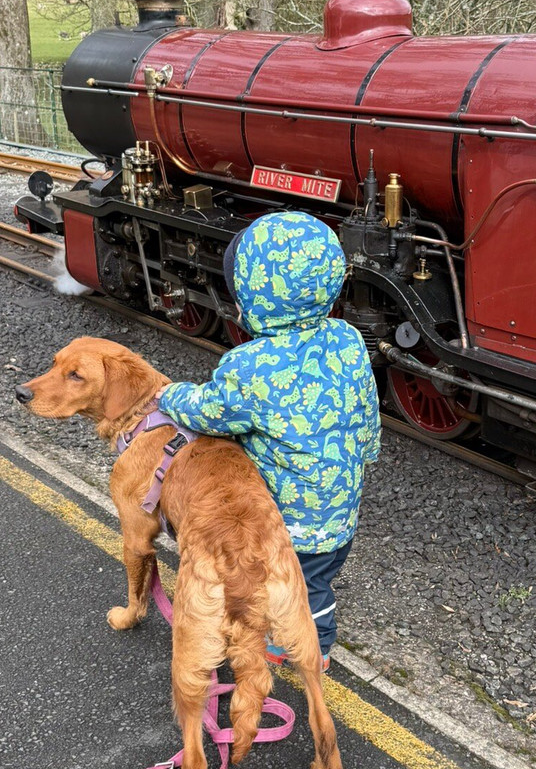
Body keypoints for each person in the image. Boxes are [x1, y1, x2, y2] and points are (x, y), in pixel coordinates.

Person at [156, 211, 381, 670]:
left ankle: (312, 648)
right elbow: (367, 407)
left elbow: (209, 411)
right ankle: (302, 633)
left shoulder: (250, 366)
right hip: (343, 502)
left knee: (301, 586)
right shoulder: (348, 338)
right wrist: (367, 452)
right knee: (319, 576)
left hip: (291, 522)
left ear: (253, 294)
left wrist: (170, 395)